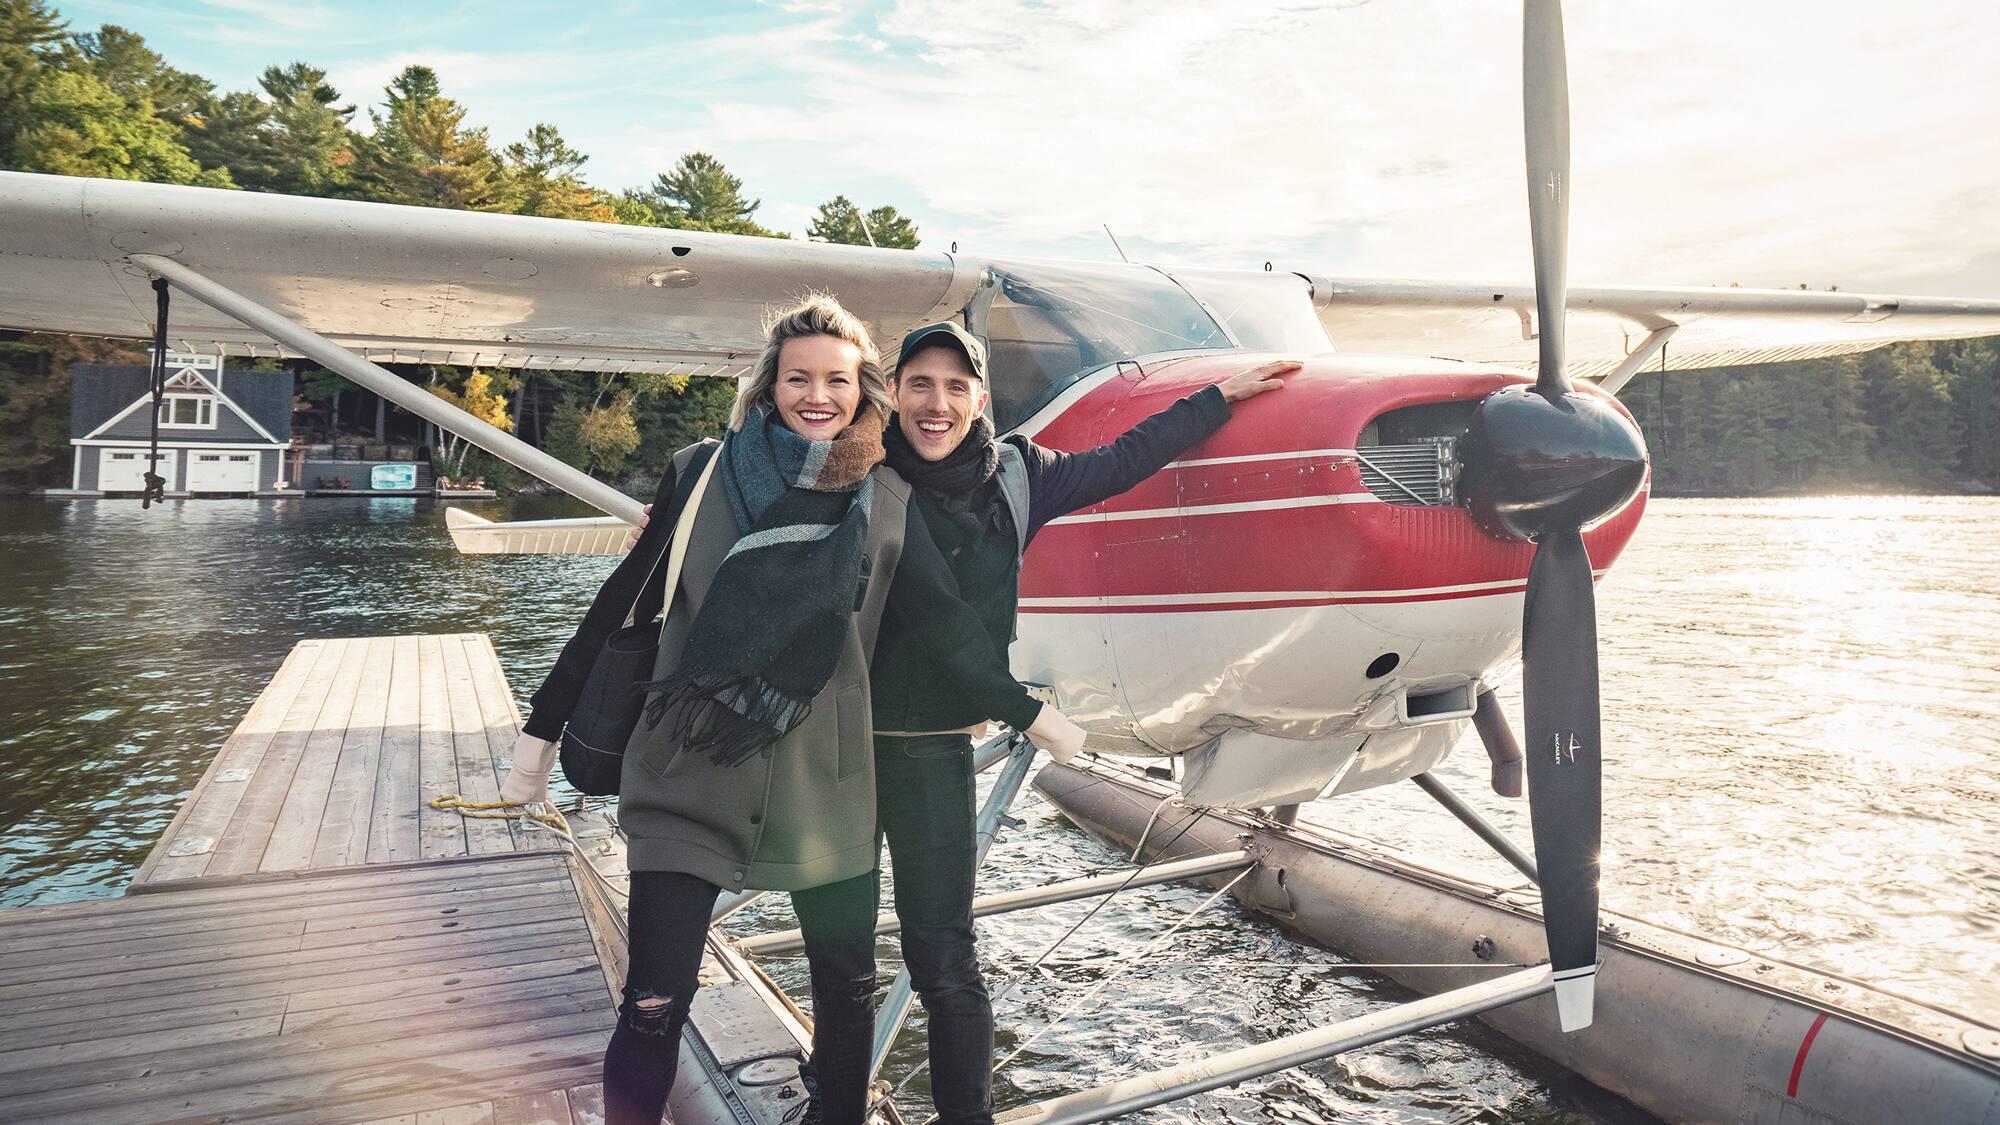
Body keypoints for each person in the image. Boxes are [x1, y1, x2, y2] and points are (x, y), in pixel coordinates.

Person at [624, 327, 1296, 1124]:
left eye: (955, 385)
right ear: (893, 393)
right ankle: (832, 1105)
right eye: (918, 383)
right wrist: (660, 521)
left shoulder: (1021, 475)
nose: (935, 403)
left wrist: (1218, 397)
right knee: (842, 967)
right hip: (831, 753)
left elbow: (1128, 456)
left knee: (944, 959)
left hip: (932, 751)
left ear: (981, 399)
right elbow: (755, 500)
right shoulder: (859, 465)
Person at [499, 296, 1085, 1125]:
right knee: (654, 1000)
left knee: (847, 996)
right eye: (798, 376)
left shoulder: (886, 497)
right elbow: (616, 605)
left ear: (862, 390)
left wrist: (1029, 713)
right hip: (688, 769)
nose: (819, 395)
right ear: (770, 384)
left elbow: (949, 625)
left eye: (837, 380)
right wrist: (539, 737)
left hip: (826, 785)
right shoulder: (702, 471)